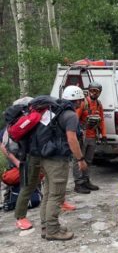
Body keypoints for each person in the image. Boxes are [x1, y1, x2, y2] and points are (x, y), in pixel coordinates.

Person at [1, 98, 75, 232]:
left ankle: (26, 217)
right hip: (28, 157)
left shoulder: (33, 117)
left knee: (44, 184)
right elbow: (4, 146)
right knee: (30, 186)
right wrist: (17, 162)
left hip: (34, 155)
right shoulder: (29, 119)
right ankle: (20, 217)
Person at [28, 86, 87, 240]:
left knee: (48, 194)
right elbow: (71, 139)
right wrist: (80, 159)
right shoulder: (70, 116)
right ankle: (53, 231)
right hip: (57, 160)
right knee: (56, 196)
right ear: (78, 100)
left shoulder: (53, 112)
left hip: (44, 158)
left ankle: (45, 226)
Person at [72, 81, 107, 194]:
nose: (94, 93)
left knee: (88, 160)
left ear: (99, 93)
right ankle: (79, 184)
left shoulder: (98, 104)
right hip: (82, 136)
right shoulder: (83, 103)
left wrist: (104, 134)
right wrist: (76, 135)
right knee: (79, 160)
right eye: (92, 90)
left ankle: (86, 180)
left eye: (96, 91)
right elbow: (75, 119)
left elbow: (101, 120)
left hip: (92, 136)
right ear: (88, 91)